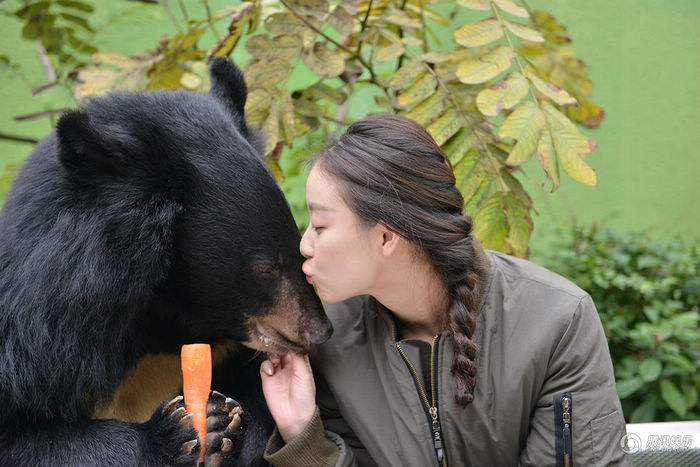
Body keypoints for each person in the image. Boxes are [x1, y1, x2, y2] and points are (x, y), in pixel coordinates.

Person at [259, 114, 631, 466]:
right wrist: (301, 435)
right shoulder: (331, 343)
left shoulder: (557, 321)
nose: (304, 246)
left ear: (386, 236)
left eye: (320, 226)